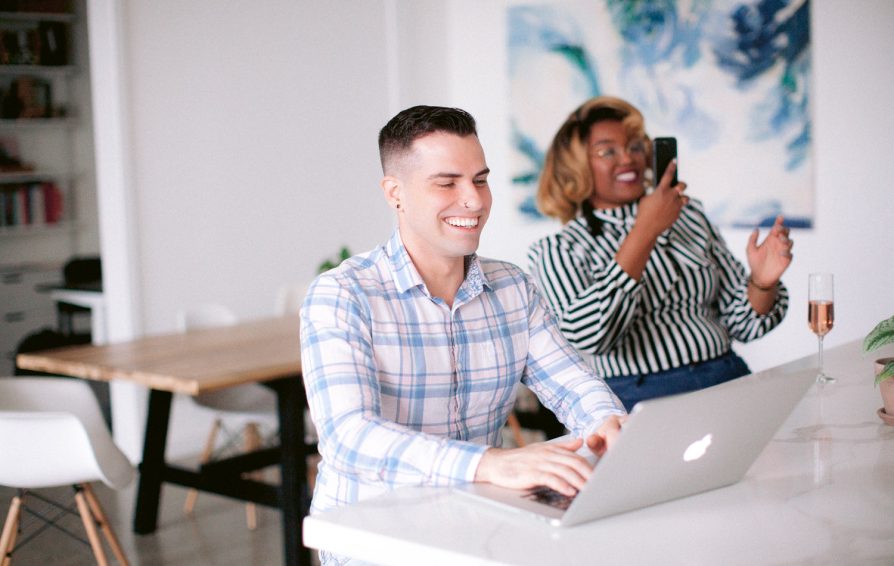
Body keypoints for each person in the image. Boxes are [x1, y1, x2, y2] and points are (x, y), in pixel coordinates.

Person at [300, 106, 626, 561]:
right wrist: (491, 463)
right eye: (447, 183)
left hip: (478, 522)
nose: (473, 200)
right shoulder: (342, 295)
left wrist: (607, 424)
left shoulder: (513, 285)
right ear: (395, 193)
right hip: (376, 538)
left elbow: (573, 383)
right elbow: (349, 437)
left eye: (480, 179)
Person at [527, 96, 793, 412]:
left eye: (636, 146)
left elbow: (744, 324)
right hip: (639, 396)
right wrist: (645, 230)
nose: (628, 158)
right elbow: (592, 335)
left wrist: (761, 283)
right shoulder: (558, 249)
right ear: (576, 166)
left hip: (726, 376)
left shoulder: (689, 214)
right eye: (608, 151)